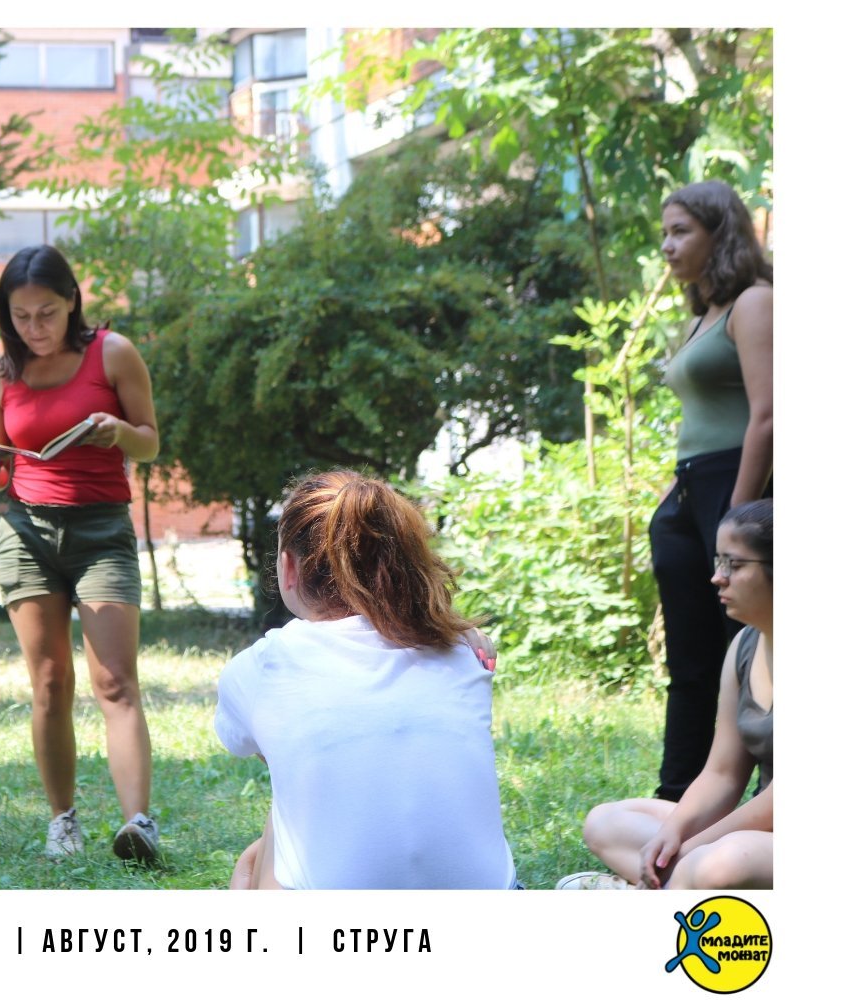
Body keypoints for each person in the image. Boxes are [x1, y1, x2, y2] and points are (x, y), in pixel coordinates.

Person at [215, 469, 516, 889]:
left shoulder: (263, 667)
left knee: (254, 857)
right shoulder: (467, 653)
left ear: (288, 568)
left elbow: (267, 751)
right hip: (493, 908)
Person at [0, 245, 161, 862]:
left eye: (47, 313)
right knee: (50, 681)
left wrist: (120, 432)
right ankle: (63, 821)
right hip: (26, 532)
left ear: (72, 300)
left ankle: (138, 824)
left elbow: (150, 442)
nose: (35, 328)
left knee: (115, 681)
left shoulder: (113, 353)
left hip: (102, 531)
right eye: (21, 317)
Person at [562, 500, 772, 890]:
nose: (717, 577)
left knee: (719, 863)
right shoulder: (745, 646)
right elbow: (723, 774)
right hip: (760, 839)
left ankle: (650, 891)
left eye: (734, 564)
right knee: (606, 823)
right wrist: (672, 834)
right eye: (718, 562)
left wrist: (692, 848)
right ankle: (674, 886)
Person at [650, 180, 773, 802]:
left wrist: (735, 518)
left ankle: (760, 798)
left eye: (681, 231)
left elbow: (769, 414)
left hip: (733, 485)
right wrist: (674, 494)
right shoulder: (703, 315)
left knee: (738, 644)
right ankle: (677, 797)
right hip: (690, 490)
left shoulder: (755, 302)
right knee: (689, 659)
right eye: (665, 234)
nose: (668, 246)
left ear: (719, 233)